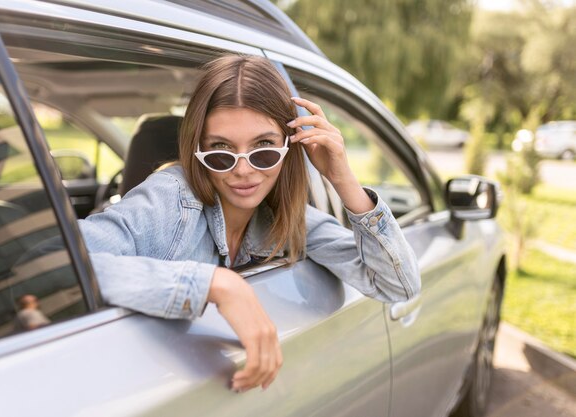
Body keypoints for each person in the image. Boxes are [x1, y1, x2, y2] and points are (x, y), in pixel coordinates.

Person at [79, 54, 420, 393]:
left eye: (264, 149)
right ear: (197, 148)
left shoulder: (287, 219)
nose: (243, 170)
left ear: (290, 147)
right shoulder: (171, 198)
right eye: (221, 151)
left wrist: (340, 177)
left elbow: (397, 286)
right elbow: (64, 263)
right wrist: (215, 284)